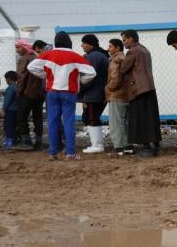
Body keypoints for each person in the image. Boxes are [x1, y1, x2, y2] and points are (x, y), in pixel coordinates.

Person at [27, 31, 96, 160]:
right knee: (68, 122)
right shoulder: (75, 56)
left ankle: (52, 152)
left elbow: (31, 67)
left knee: (52, 122)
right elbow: (92, 73)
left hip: (52, 92)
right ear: (69, 42)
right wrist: (80, 81)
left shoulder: (48, 54)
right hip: (69, 93)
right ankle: (70, 153)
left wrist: (45, 75)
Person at [121, 29, 161, 158]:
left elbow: (123, 69)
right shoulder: (145, 50)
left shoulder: (133, 51)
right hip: (148, 88)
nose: (124, 43)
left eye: (124, 40)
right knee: (150, 118)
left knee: (141, 119)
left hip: (139, 90)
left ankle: (146, 148)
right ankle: (155, 145)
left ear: (131, 39)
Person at [78, 34, 110, 154]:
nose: (82, 45)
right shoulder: (101, 55)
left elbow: (88, 76)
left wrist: (79, 90)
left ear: (90, 44)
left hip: (93, 94)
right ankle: (96, 144)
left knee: (92, 118)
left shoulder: (93, 56)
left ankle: (97, 145)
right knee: (89, 117)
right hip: (98, 94)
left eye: (83, 43)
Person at [13, 39, 45, 151]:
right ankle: (39, 142)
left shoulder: (23, 59)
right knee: (38, 117)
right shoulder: (37, 58)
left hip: (27, 93)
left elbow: (21, 77)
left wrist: (19, 92)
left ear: (25, 47)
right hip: (40, 94)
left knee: (21, 117)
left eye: (18, 47)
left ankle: (26, 142)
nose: (17, 50)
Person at [104, 38, 131, 155]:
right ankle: (128, 146)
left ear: (117, 48)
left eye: (110, 46)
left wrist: (109, 88)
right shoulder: (126, 58)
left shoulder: (115, 60)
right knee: (126, 122)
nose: (108, 49)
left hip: (116, 96)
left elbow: (115, 78)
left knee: (115, 123)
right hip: (127, 96)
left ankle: (118, 148)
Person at [2, 70, 19, 150]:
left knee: (8, 126)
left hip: (10, 110)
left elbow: (7, 100)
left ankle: (9, 143)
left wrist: (4, 108)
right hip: (17, 110)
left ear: (8, 79)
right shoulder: (17, 86)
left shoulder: (10, 88)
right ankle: (14, 141)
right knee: (14, 126)